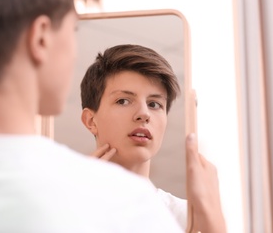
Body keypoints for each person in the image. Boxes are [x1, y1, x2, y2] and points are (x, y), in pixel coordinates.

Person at [0, 0, 225, 232]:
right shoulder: (124, 206)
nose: (143, 114)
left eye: (155, 104)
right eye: (73, 31)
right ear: (41, 37)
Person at [80, 44, 226, 232]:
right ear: (91, 120)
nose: (143, 113)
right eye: (123, 101)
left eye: (154, 104)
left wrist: (213, 221)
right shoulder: (65, 207)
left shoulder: (185, 218)